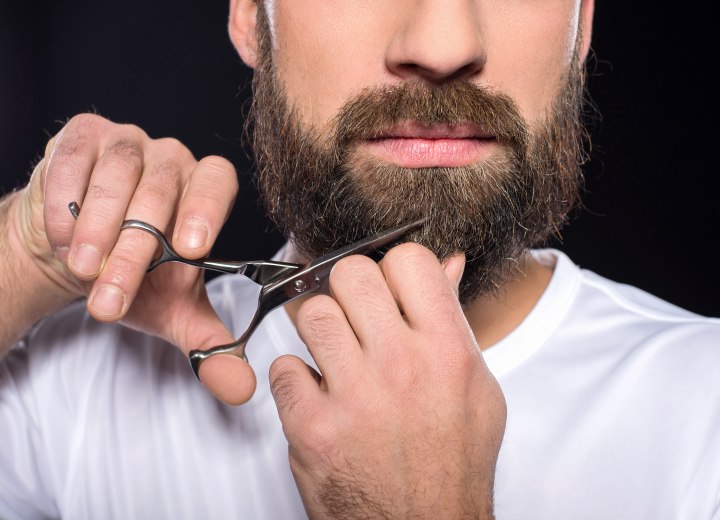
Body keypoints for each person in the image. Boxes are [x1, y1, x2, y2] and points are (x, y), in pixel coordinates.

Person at [0, 0, 718, 518]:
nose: (442, 46)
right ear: (251, 13)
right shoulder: (74, 386)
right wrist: (21, 261)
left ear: (582, 23)